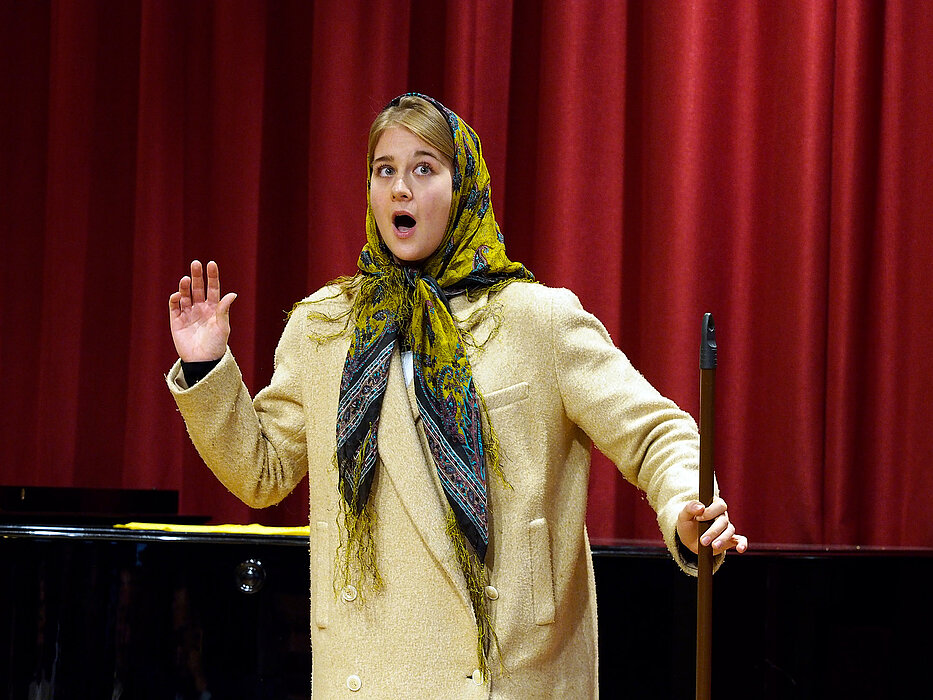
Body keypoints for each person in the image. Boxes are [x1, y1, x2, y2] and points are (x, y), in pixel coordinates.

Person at [167, 93, 747, 698]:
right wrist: (205, 364)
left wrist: (686, 504)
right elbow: (262, 473)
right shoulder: (326, 327)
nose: (400, 188)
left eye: (423, 168)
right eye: (384, 169)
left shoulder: (537, 321)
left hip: (510, 671)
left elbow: (656, 433)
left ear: (463, 184)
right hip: (365, 675)